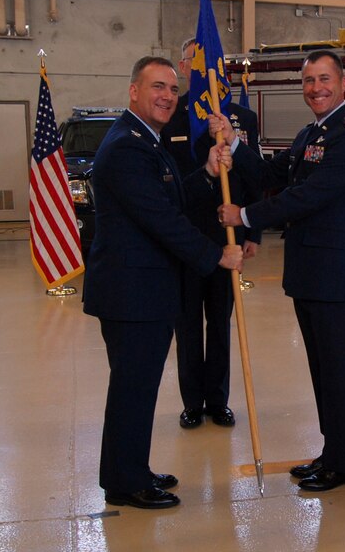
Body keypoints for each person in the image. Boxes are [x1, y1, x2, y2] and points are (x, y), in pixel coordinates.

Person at [83, 56, 243, 510]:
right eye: (157, 87)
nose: (167, 96)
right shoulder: (126, 147)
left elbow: (170, 196)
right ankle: (126, 482)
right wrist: (216, 256)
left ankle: (129, 469)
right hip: (132, 294)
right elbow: (162, 220)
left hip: (145, 291)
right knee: (133, 387)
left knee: (137, 387)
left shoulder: (145, 142)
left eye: (172, 89)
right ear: (134, 91)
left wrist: (209, 172)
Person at [215, 49, 345, 492]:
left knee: (339, 372)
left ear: (343, 85)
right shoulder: (312, 133)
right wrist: (232, 142)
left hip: (337, 276)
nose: (316, 88)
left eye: (324, 79)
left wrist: (244, 217)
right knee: (322, 371)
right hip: (310, 273)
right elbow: (273, 171)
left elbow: (307, 196)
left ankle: (343, 466)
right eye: (308, 81)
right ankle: (330, 453)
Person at [162, 37, 262, 430]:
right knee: (187, 326)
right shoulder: (171, 116)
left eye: (211, 64)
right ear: (185, 68)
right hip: (185, 238)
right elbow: (168, 184)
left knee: (220, 324)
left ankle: (218, 400)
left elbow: (254, 177)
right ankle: (192, 401)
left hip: (228, 237)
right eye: (195, 63)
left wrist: (256, 230)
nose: (203, 70)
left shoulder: (239, 118)